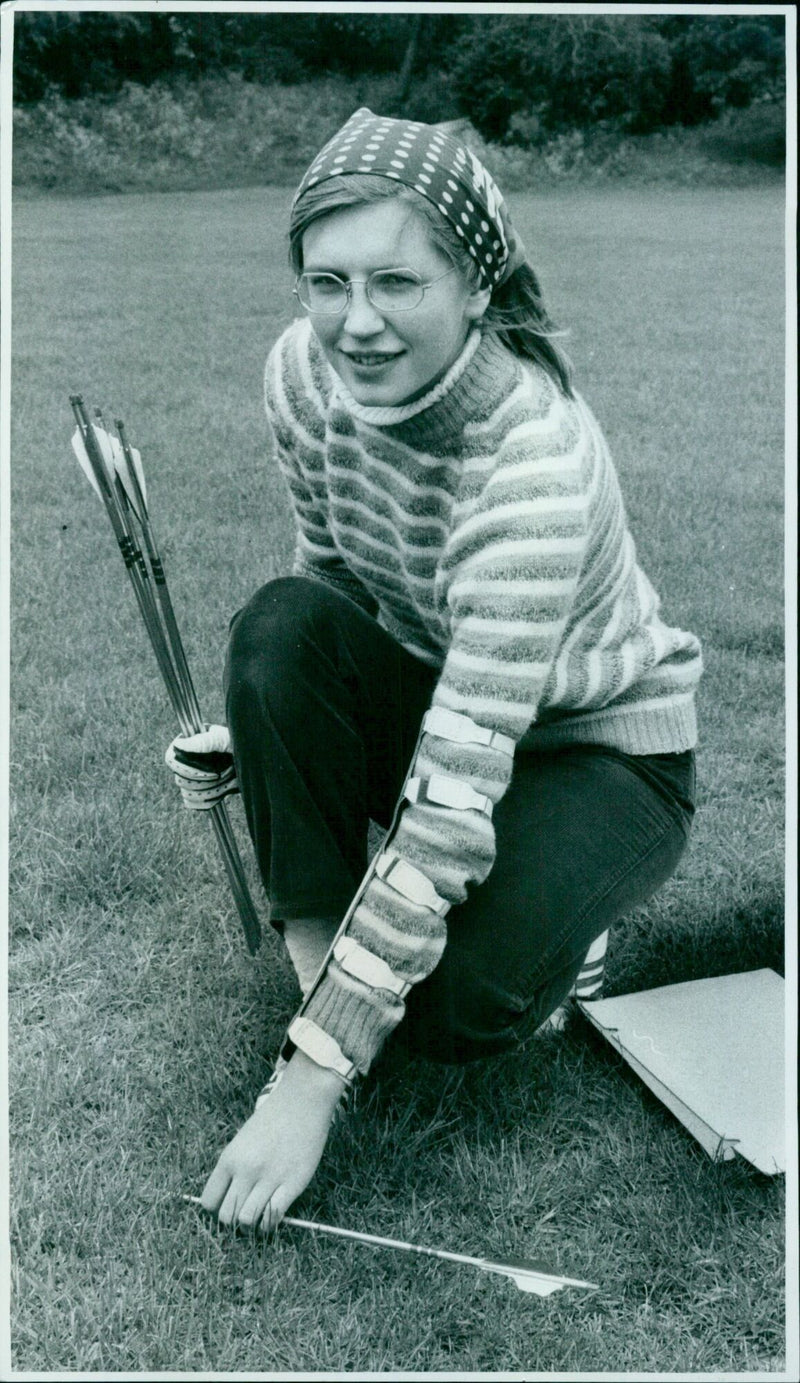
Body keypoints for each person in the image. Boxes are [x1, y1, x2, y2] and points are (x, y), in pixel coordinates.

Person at [166, 109, 701, 1234]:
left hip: (599, 752)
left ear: (474, 285)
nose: (354, 324)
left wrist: (312, 1089)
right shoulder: (302, 378)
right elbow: (326, 597)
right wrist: (258, 732)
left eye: (396, 284)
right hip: (445, 692)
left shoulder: (532, 458)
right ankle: (320, 974)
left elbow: (453, 801)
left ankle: (564, 928)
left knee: (452, 1013)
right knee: (274, 624)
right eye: (326, 282)